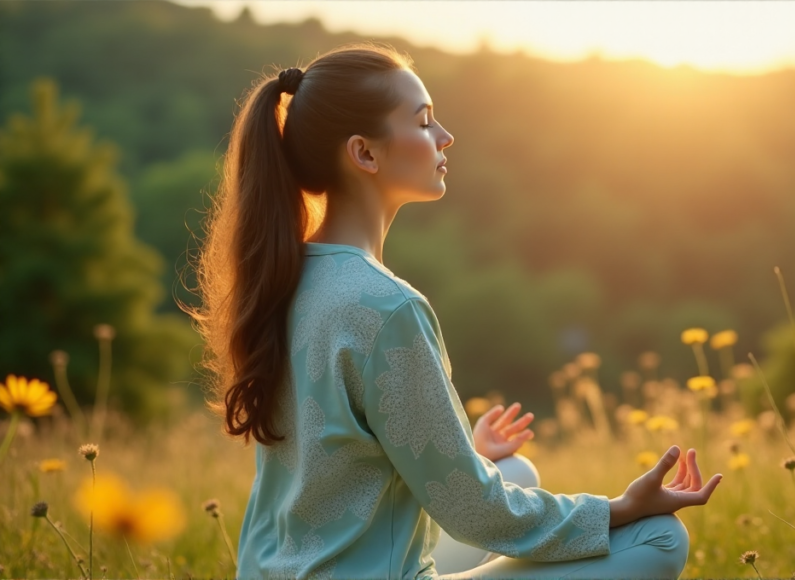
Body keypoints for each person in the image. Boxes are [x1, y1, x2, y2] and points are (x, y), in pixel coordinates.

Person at [188, 41, 723, 580]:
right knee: (658, 537)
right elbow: (476, 513)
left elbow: (337, 463)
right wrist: (619, 508)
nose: (445, 137)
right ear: (365, 154)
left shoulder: (286, 277)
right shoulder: (386, 306)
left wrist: (462, 453)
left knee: (513, 468)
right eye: (423, 123)